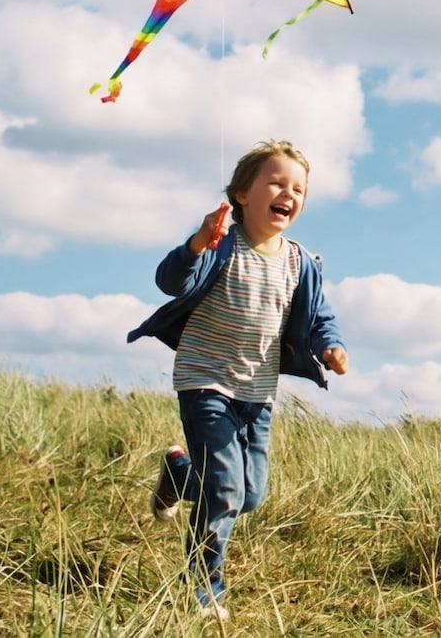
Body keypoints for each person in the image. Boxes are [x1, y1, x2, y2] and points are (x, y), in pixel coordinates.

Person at [127, 139, 349, 619]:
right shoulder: (220, 244)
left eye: (298, 188)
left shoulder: (301, 263)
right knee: (225, 491)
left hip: (258, 391)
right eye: (276, 182)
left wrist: (330, 346)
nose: (288, 193)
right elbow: (171, 281)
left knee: (249, 495)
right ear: (242, 194)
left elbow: (319, 317)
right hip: (205, 379)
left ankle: (176, 475)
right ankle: (204, 592)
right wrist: (195, 243)